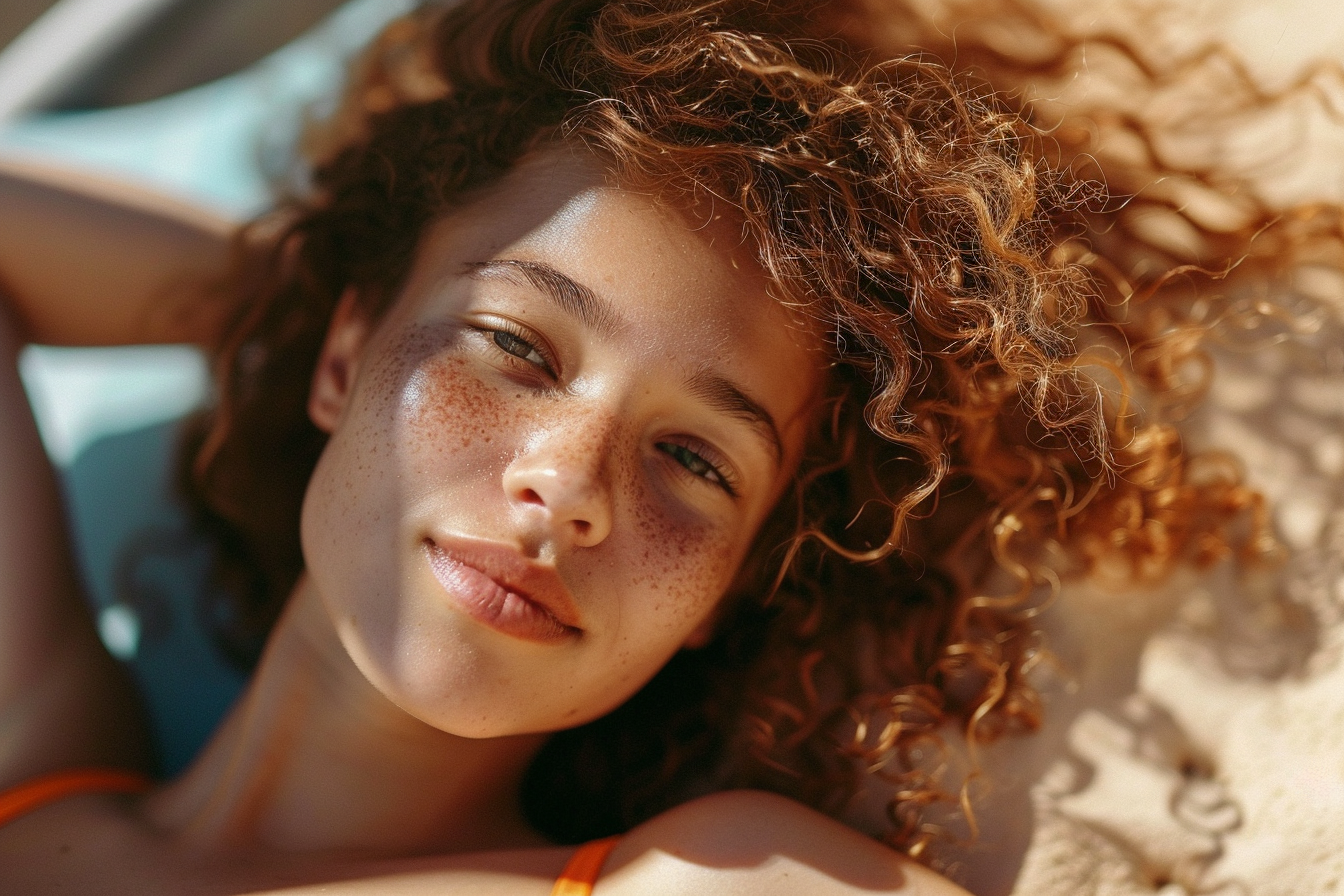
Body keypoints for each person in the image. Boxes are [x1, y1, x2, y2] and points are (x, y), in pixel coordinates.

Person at [1, 0, 1333, 892]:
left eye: (696, 463)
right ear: (346, 360)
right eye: (516, 350)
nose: (567, 489)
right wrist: (293, 305)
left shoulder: (702, 880)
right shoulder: (34, 754)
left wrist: (404, 329)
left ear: (725, 593)